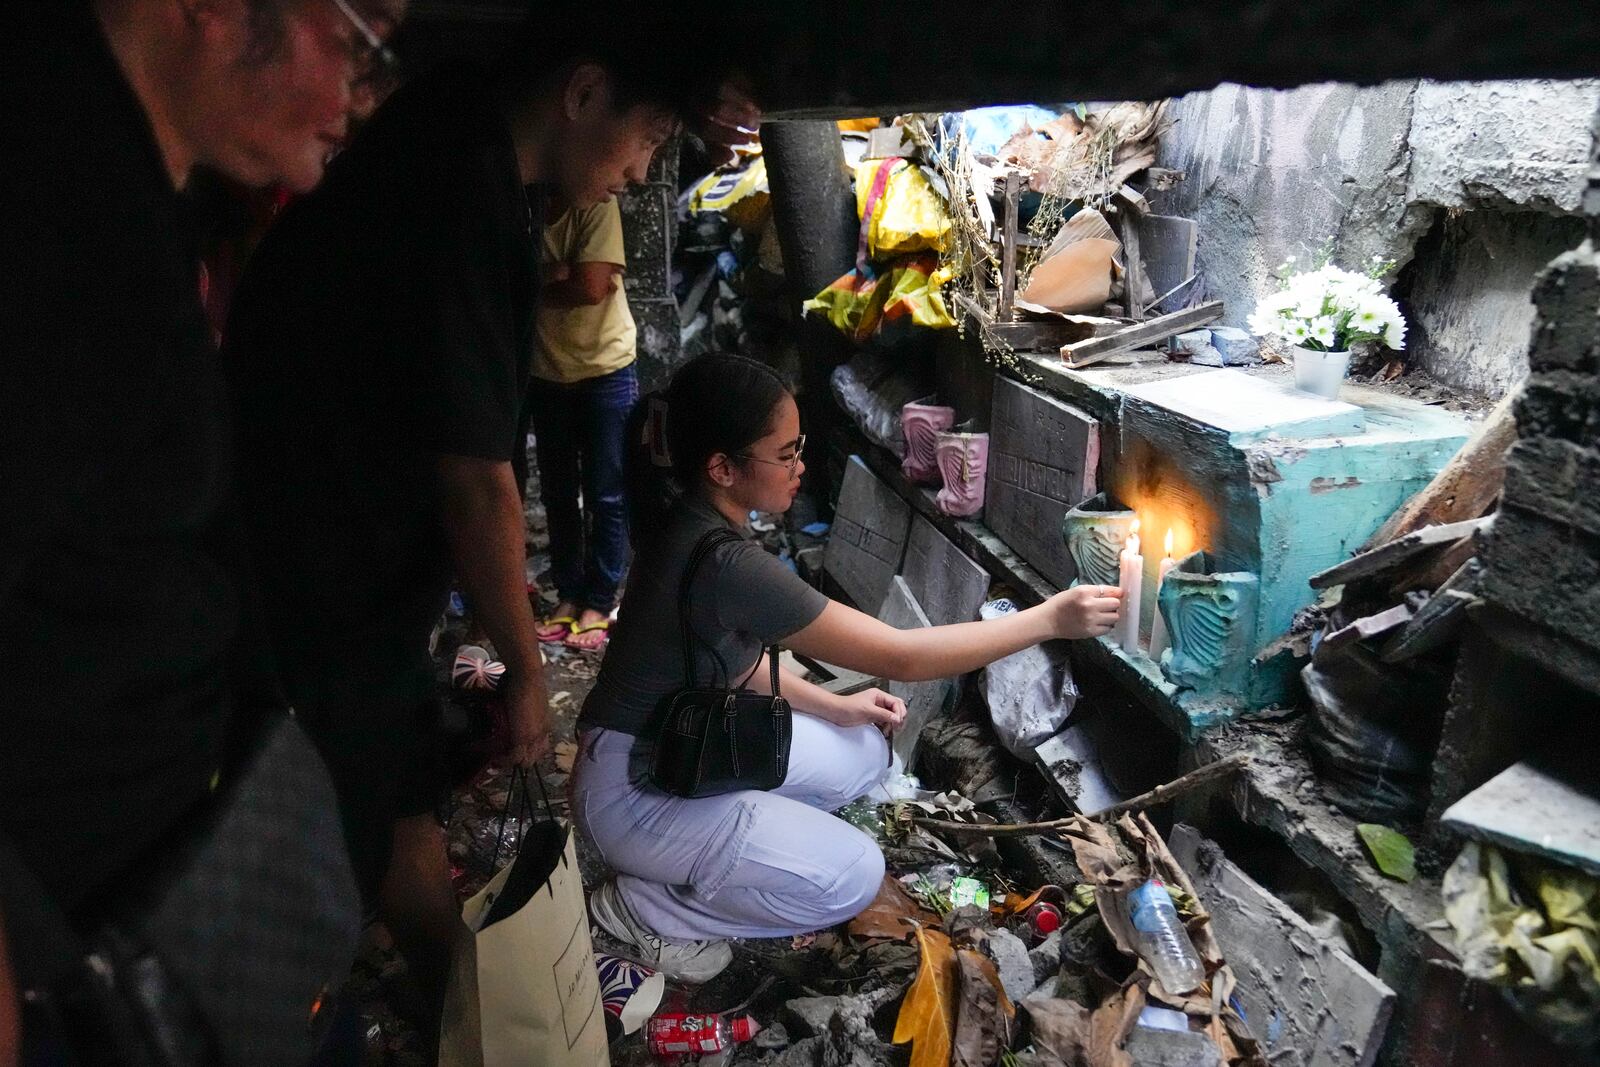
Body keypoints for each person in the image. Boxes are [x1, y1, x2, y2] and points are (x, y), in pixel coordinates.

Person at [225, 15, 758, 1029]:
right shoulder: (459, 193)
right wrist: (523, 667)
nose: (642, 172)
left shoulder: (446, 135)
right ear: (583, 90)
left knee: (388, 776)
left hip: (325, 532)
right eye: (647, 137)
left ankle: (453, 997)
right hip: (323, 548)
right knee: (380, 792)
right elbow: (477, 477)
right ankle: (462, 1014)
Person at [0, 0, 402, 1057]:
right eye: (358, 41)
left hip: (182, 860)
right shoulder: (45, 208)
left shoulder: (126, 182)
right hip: (82, 946)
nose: (363, 94)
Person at [572, 354, 1124, 982]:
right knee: (853, 877)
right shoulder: (726, 562)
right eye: (784, 454)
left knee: (864, 749)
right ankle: (648, 909)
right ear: (722, 469)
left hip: (674, 748)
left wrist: (836, 706)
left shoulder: (696, 523)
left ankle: (731, 843)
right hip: (632, 793)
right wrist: (1050, 619)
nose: (799, 465)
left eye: (799, 445)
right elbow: (901, 655)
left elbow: (732, 661)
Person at [529, 195, 641, 651]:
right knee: (558, 491)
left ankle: (599, 599)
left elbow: (592, 287)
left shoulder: (595, 204)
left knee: (607, 491)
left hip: (606, 367)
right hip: (546, 370)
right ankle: (569, 594)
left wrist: (536, 279)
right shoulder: (525, 208)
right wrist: (563, 275)